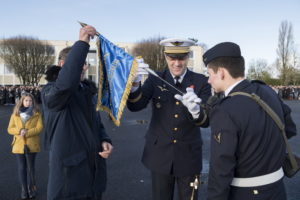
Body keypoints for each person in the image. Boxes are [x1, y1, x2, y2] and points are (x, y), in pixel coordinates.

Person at [203, 42, 297, 200]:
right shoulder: (267, 91)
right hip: (277, 189)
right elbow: (290, 130)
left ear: (221, 72)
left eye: (210, 74)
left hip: (246, 193)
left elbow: (221, 170)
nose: (209, 81)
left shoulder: (225, 110)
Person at [127, 38, 211, 200]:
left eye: (182, 58)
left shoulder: (201, 82)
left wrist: (196, 111)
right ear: (165, 57)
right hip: (160, 156)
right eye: (172, 58)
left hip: (189, 156)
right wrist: (135, 84)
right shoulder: (155, 78)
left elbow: (206, 121)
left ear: (188, 57)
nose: (177, 63)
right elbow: (136, 106)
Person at [41, 25, 113, 200]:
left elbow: (95, 122)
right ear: (63, 65)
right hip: (69, 177)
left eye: (85, 64)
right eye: (80, 64)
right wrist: (82, 44)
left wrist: (104, 139)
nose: (84, 68)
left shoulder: (85, 91)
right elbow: (65, 84)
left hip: (92, 171)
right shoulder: (51, 91)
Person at [7, 92, 43, 199]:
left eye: (30, 100)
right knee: (22, 168)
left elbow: (39, 128)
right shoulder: (15, 114)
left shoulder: (36, 113)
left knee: (31, 168)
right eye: (26, 100)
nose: (28, 102)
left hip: (32, 144)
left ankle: (31, 188)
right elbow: (10, 128)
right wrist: (19, 130)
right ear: (22, 101)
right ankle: (24, 189)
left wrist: (26, 132)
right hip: (18, 145)